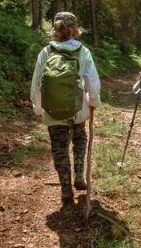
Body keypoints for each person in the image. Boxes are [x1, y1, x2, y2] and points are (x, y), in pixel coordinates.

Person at [31, 12, 101, 207]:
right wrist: (93, 102)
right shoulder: (83, 52)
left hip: (53, 112)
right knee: (80, 138)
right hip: (77, 111)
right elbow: (92, 84)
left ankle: (65, 188)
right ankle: (79, 174)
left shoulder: (46, 52)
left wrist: (38, 108)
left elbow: (36, 83)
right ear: (75, 30)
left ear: (55, 29)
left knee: (59, 148)